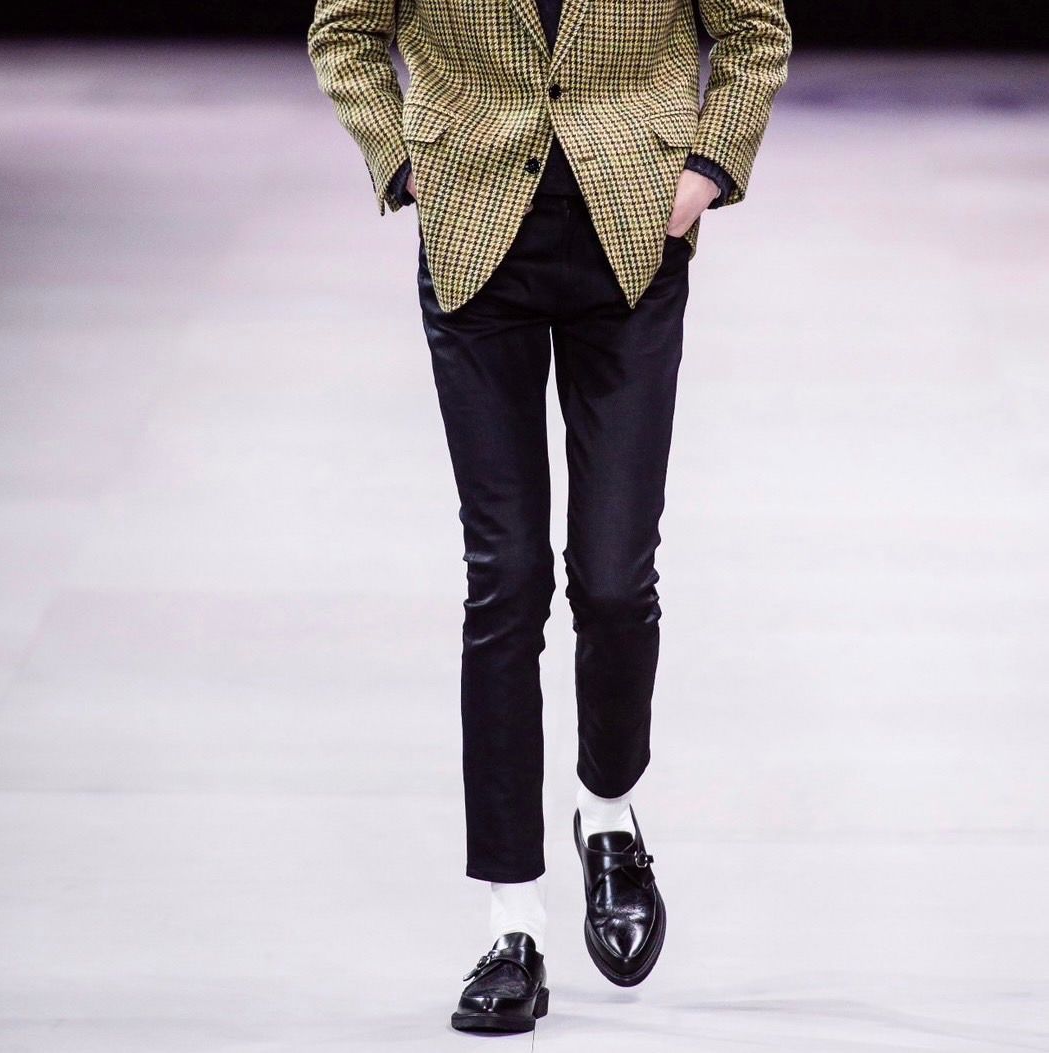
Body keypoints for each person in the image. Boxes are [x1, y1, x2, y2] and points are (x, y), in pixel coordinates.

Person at [308, 0, 791, 1034]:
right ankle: (511, 924)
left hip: (632, 237)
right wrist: (403, 162)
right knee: (507, 579)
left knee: (613, 579)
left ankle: (607, 816)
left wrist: (707, 168)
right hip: (476, 233)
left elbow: (755, 28)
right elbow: (343, 29)